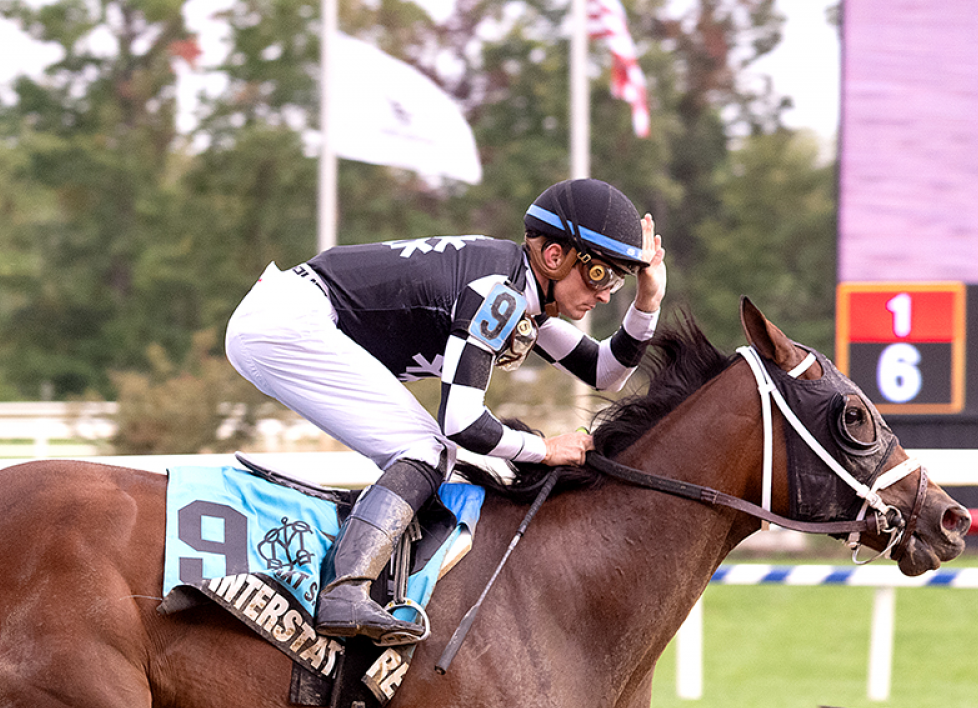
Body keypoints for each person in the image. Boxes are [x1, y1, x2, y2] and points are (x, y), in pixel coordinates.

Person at [224, 177, 669, 644]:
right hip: (290, 320)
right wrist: (545, 449)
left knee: (430, 456)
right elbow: (460, 423)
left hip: (287, 314)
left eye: (618, 280)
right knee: (427, 450)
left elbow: (604, 372)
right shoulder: (500, 293)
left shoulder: (521, 292)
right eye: (601, 275)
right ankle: (343, 593)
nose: (606, 293)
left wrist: (647, 302)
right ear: (554, 256)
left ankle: (373, 585)